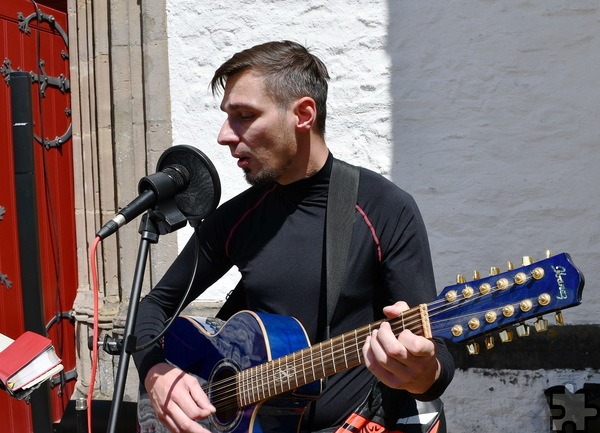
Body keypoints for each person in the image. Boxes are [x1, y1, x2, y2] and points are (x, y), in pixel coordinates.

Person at [133, 40, 454, 433]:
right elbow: (151, 307)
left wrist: (421, 372)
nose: (223, 136)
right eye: (226, 117)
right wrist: (157, 373)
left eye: (244, 116)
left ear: (303, 114)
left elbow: (437, 357)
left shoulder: (384, 208)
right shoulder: (238, 217)